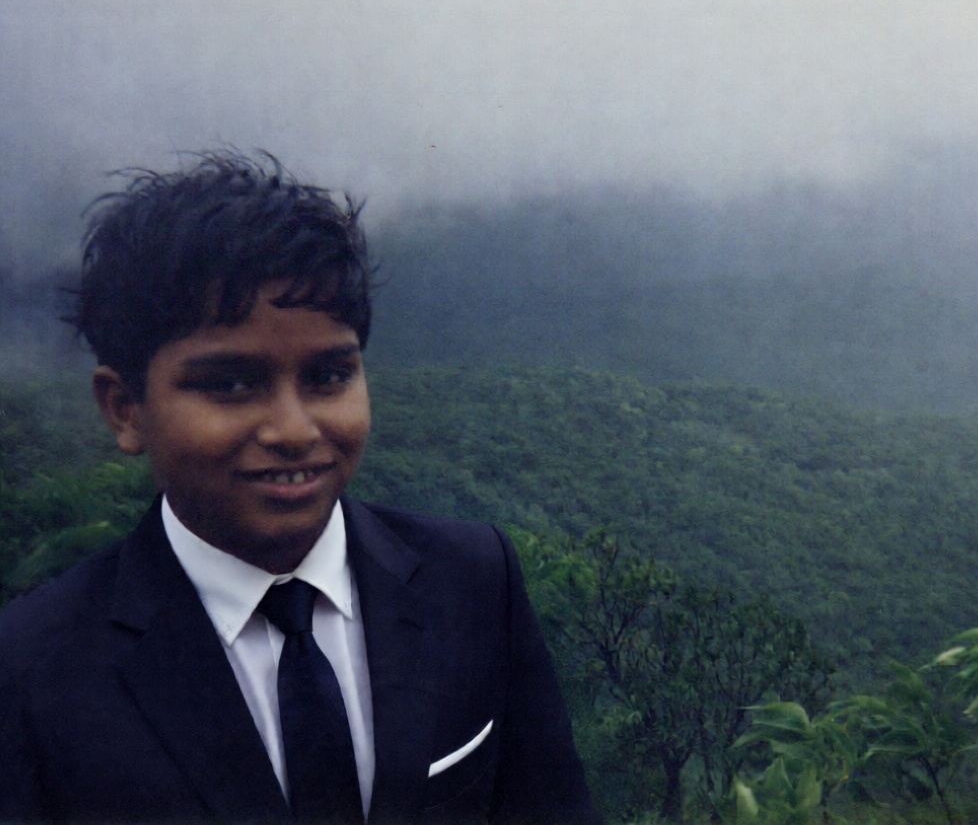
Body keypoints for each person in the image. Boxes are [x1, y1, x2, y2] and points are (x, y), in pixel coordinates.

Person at [0, 152, 600, 824]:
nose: (293, 430)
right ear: (125, 409)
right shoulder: (32, 672)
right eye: (231, 384)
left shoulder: (474, 580)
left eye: (328, 377)